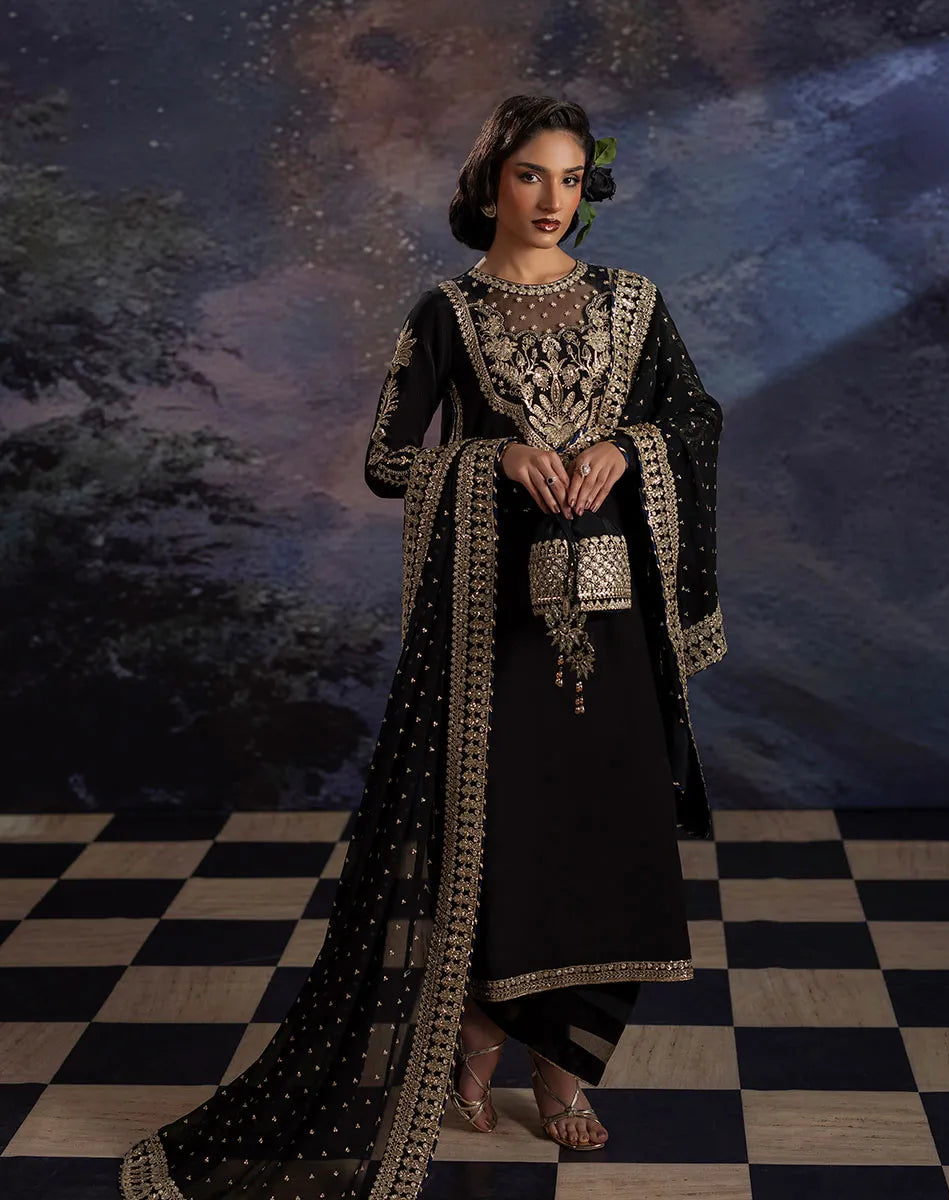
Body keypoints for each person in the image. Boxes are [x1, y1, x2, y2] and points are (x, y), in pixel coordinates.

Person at [119, 93, 725, 1200]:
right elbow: (389, 460)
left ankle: (564, 1070)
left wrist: (629, 448)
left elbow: (695, 420)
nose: (552, 199)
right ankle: (474, 1041)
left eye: (571, 178)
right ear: (490, 181)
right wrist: (493, 460)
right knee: (502, 839)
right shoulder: (447, 311)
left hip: (612, 625)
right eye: (531, 175)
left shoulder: (634, 303)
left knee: (604, 837)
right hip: (492, 634)